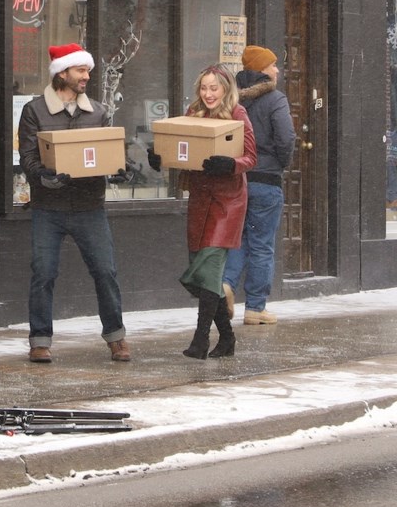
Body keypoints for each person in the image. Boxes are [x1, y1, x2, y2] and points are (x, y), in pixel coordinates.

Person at [18, 43, 131, 364]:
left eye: (87, 70)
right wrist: (44, 176)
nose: (86, 76)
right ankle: (39, 341)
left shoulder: (98, 111)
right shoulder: (35, 111)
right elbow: (27, 157)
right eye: (81, 70)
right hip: (48, 208)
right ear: (62, 73)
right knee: (43, 273)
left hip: (89, 206)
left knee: (105, 271)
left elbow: (107, 154)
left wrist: (117, 171)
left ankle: (116, 337)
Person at [150, 65, 257, 360]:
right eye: (204, 88)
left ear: (225, 89)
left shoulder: (238, 115)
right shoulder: (193, 113)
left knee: (207, 269)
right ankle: (228, 338)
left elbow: (251, 156)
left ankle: (200, 340)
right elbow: (181, 149)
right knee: (202, 272)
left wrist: (230, 165)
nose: (208, 94)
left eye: (214, 88)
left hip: (228, 202)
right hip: (199, 199)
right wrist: (161, 156)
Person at [222, 46, 296, 326]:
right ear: (262, 69)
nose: (277, 70)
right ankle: (255, 307)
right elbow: (286, 137)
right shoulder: (275, 98)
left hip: (236, 179)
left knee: (238, 239)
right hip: (266, 181)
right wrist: (280, 163)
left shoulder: (231, 99)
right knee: (262, 245)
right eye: (273, 65)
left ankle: (226, 285)